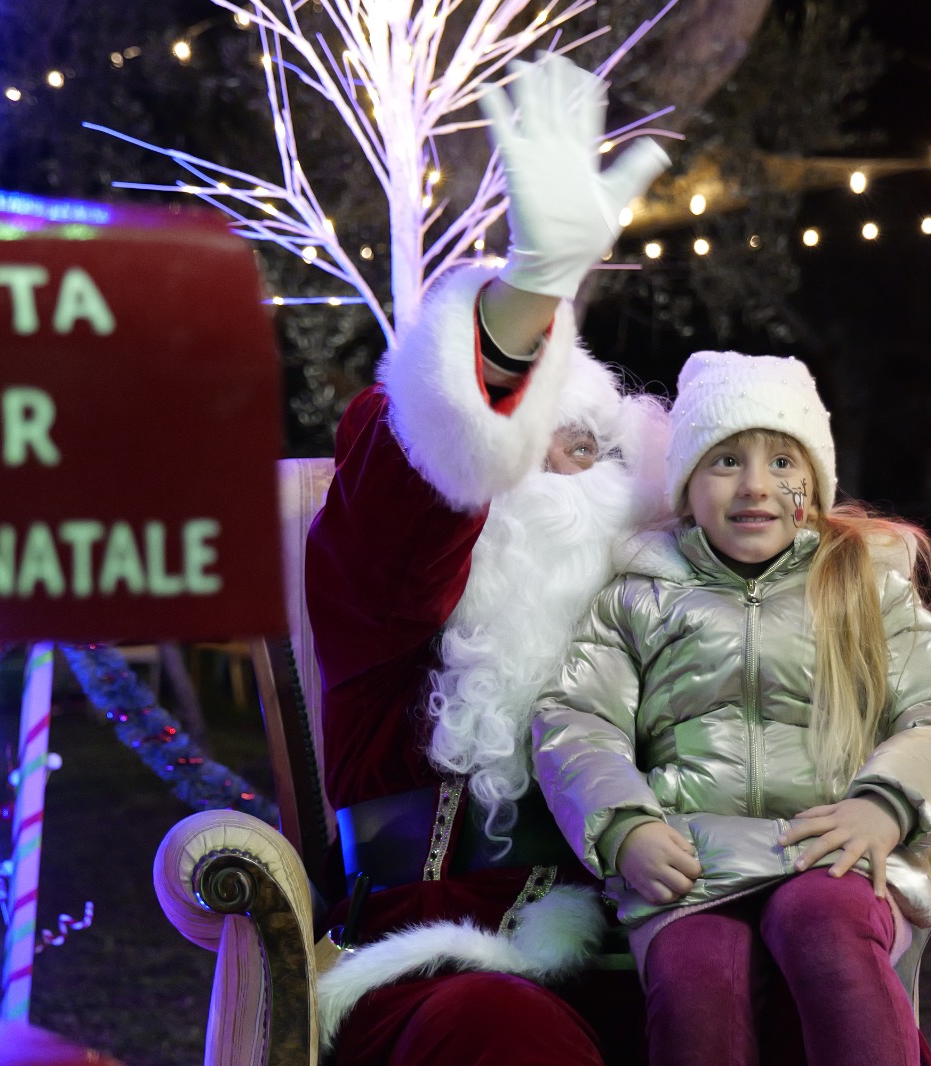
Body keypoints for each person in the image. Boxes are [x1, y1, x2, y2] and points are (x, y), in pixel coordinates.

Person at [303, 54, 671, 1064]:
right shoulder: (390, 612)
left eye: (591, 448)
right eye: (536, 442)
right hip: (458, 965)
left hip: (673, 947)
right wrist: (531, 293)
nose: (566, 470)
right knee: (492, 1032)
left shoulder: (669, 602)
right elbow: (418, 483)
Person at [532, 351, 931, 1066]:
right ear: (687, 483)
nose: (756, 486)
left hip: (837, 851)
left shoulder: (862, 586)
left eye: (783, 460)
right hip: (694, 864)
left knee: (823, 923)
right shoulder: (640, 594)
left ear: (812, 481)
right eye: (725, 461)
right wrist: (624, 826)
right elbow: (577, 721)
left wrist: (885, 806)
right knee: (696, 982)